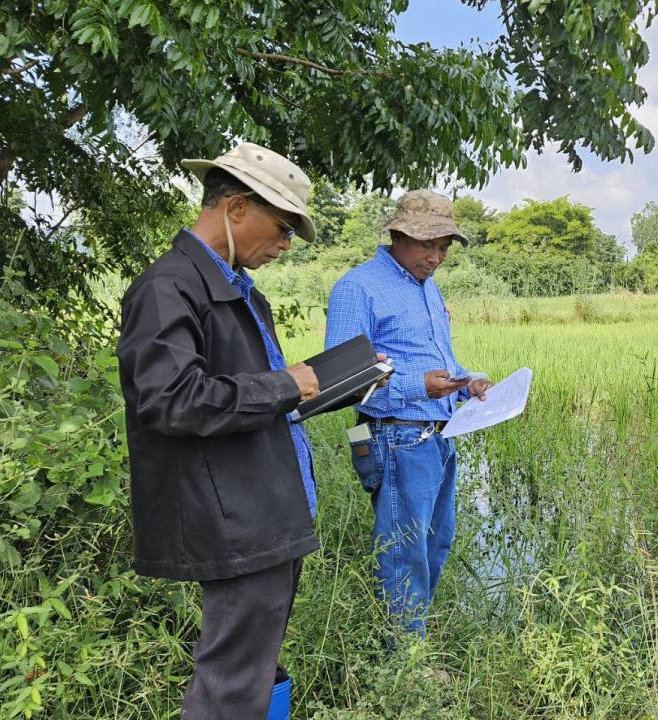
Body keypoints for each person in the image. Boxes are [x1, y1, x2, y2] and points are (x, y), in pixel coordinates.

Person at [117, 142, 362, 718]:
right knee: (231, 684)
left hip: (265, 511)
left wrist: (319, 388)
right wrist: (284, 386)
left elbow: (242, 397)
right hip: (236, 520)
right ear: (236, 208)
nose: (283, 246)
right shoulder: (169, 287)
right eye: (281, 229)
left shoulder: (240, 290)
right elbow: (171, 400)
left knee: (253, 672)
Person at [325, 189, 491, 635]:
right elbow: (342, 382)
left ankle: (411, 646)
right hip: (397, 439)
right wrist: (417, 386)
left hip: (439, 435)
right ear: (397, 236)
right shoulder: (358, 289)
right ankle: (404, 663)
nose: (436, 257)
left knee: (437, 541)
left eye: (444, 247)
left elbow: (440, 361)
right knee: (404, 553)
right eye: (427, 245)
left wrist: (467, 380)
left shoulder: (427, 289)